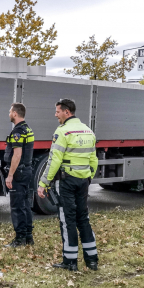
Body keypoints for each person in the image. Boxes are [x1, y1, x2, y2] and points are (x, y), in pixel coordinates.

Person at [37, 98, 99, 272]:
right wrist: (88, 178)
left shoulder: (63, 132)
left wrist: (43, 183)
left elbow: (54, 160)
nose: (55, 114)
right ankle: (92, 260)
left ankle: (70, 261)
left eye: (57, 111)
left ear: (67, 112)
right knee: (83, 219)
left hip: (67, 181)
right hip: (83, 181)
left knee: (67, 220)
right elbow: (93, 159)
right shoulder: (88, 131)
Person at [3, 102, 35, 248]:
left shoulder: (17, 132)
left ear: (15, 113)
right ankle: (28, 236)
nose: (9, 113)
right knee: (26, 204)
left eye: (10, 111)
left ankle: (20, 238)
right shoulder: (28, 129)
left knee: (17, 206)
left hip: (19, 173)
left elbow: (17, 155)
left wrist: (10, 175)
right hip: (27, 170)